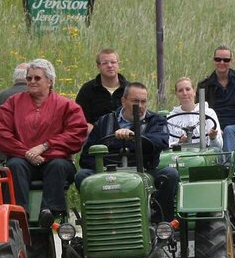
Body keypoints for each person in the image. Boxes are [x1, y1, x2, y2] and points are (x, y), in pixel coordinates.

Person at [0, 58, 88, 225]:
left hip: (55, 160)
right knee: (14, 166)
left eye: (37, 78)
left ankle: (49, 212)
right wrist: (26, 153)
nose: (32, 81)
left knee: (57, 166)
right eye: (29, 78)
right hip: (22, 159)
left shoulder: (67, 105)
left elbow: (76, 134)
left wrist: (45, 146)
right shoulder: (13, 104)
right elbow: (1, 133)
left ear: (50, 81)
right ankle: (19, 214)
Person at [76, 82, 180, 221]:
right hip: (108, 171)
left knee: (170, 174)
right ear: (123, 101)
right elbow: (86, 157)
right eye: (135, 101)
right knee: (83, 176)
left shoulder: (156, 120)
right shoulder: (105, 121)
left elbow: (160, 141)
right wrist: (104, 165)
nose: (140, 106)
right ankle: (96, 219)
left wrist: (133, 137)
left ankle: (161, 223)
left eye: (143, 101)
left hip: (145, 170)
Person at [74, 48, 128, 129]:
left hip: (126, 133)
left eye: (113, 62)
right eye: (105, 63)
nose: (110, 66)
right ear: (98, 66)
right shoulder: (88, 89)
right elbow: (79, 118)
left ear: (118, 64)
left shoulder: (130, 89)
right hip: (95, 134)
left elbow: (138, 116)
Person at [166, 76, 221, 148]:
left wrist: (213, 138)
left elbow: (218, 147)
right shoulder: (170, 118)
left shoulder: (208, 113)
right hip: (180, 154)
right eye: (180, 90)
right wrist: (179, 143)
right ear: (176, 94)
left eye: (188, 89)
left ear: (194, 92)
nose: (185, 93)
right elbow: (167, 145)